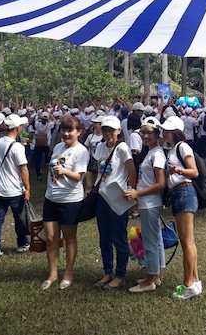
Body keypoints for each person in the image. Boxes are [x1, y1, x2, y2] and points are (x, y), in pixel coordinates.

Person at [41, 115, 90, 291]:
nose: (66, 133)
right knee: (51, 238)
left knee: (69, 238)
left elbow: (79, 177)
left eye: (70, 130)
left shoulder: (82, 151)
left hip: (70, 201)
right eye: (64, 130)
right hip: (51, 197)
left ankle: (68, 273)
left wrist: (64, 170)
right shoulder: (58, 147)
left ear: (79, 132)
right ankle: (52, 273)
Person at [159, 115, 202, 300]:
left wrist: (178, 171)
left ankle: (188, 284)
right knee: (188, 241)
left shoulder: (182, 146)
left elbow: (194, 171)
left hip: (184, 192)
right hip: (179, 193)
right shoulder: (173, 149)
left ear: (173, 132)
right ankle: (195, 281)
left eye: (166, 130)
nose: (163, 133)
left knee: (186, 242)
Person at [92, 115, 137, 290]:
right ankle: (107, 270)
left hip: (117, 197)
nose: (108, 133)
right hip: (102, 196)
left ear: (119, 131)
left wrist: (132, 192)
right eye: (105, 130)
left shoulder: (122, 148)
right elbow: (96, 168)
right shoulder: (100, 147)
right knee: (104, 237)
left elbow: (131, 171)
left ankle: (120, 274)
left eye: (112, 130)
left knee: (118, 237)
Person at [125, 117, 167, 293]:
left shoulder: (157, 154)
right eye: (143, 132)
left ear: (157, 134)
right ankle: (154, 275)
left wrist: (138, 193)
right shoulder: (149, 152)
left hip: (151, 203)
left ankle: (149, 280)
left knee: (150, 242)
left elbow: (161, 183)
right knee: (155, 240)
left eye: (149, 132)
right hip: (147, 203)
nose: (145, 136)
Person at [0, 114, 31, 260]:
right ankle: (22, 243)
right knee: (19, 217)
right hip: (13, 189)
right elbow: (23, 169)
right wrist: (27, 188)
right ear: (18, 128)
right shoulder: (17, 147)